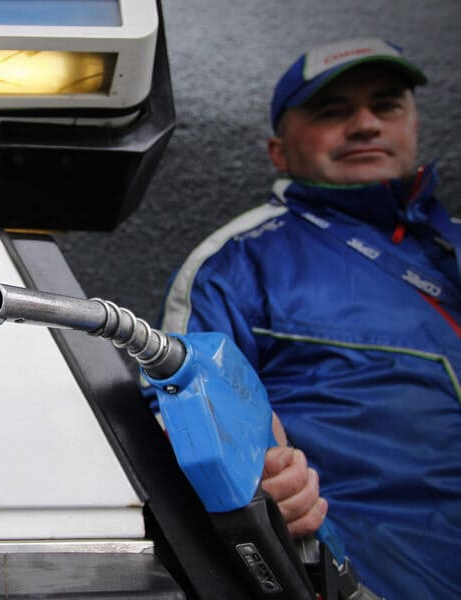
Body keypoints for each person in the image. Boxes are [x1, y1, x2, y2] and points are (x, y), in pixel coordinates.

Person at [159, 38, 460, 599]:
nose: (365, 124)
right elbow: (175, 425)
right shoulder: (234, 263)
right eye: (332, 111)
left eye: (386, 106)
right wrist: (263, 485)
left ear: (414, 125)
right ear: (278, 151)